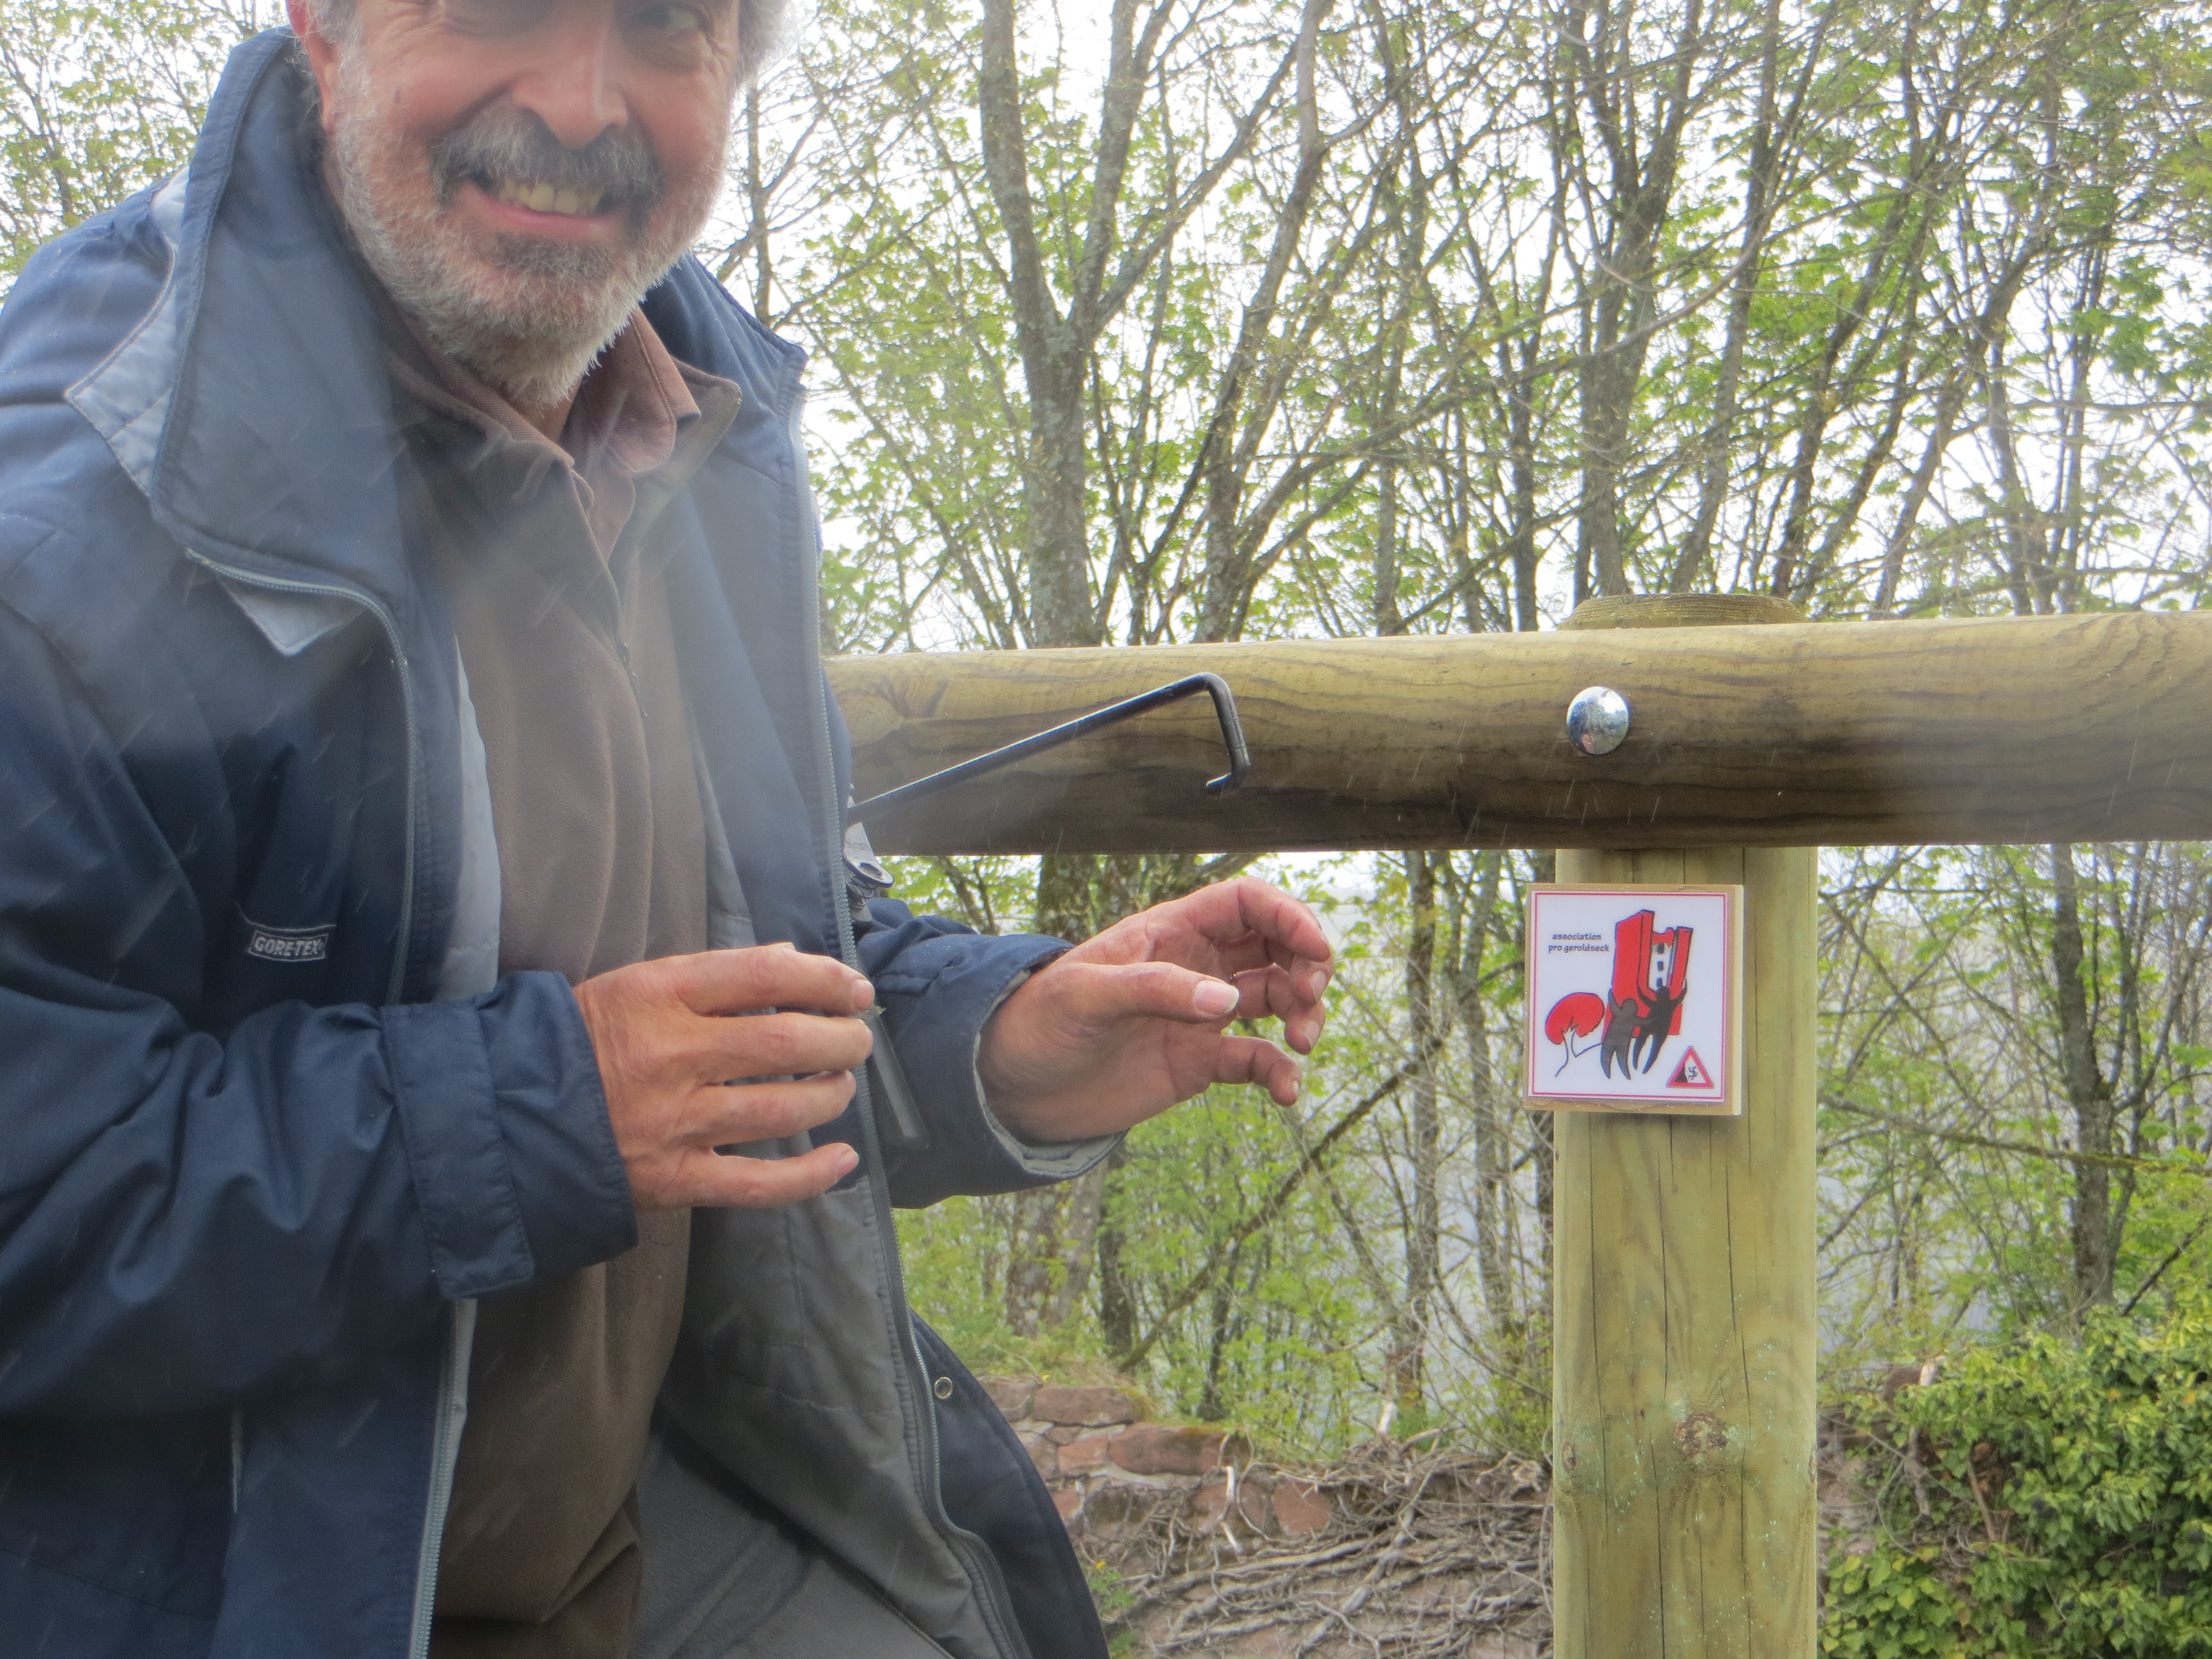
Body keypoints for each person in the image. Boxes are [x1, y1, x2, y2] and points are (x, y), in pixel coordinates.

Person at [0, 2, 1332, 1656]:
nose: (580, 103)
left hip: (652, 1539)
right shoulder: (72, 517)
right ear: (323, 30)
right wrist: (540, 1111)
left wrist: (998, 1041)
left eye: (663, 25)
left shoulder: (702, 429)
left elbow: (747, 959)